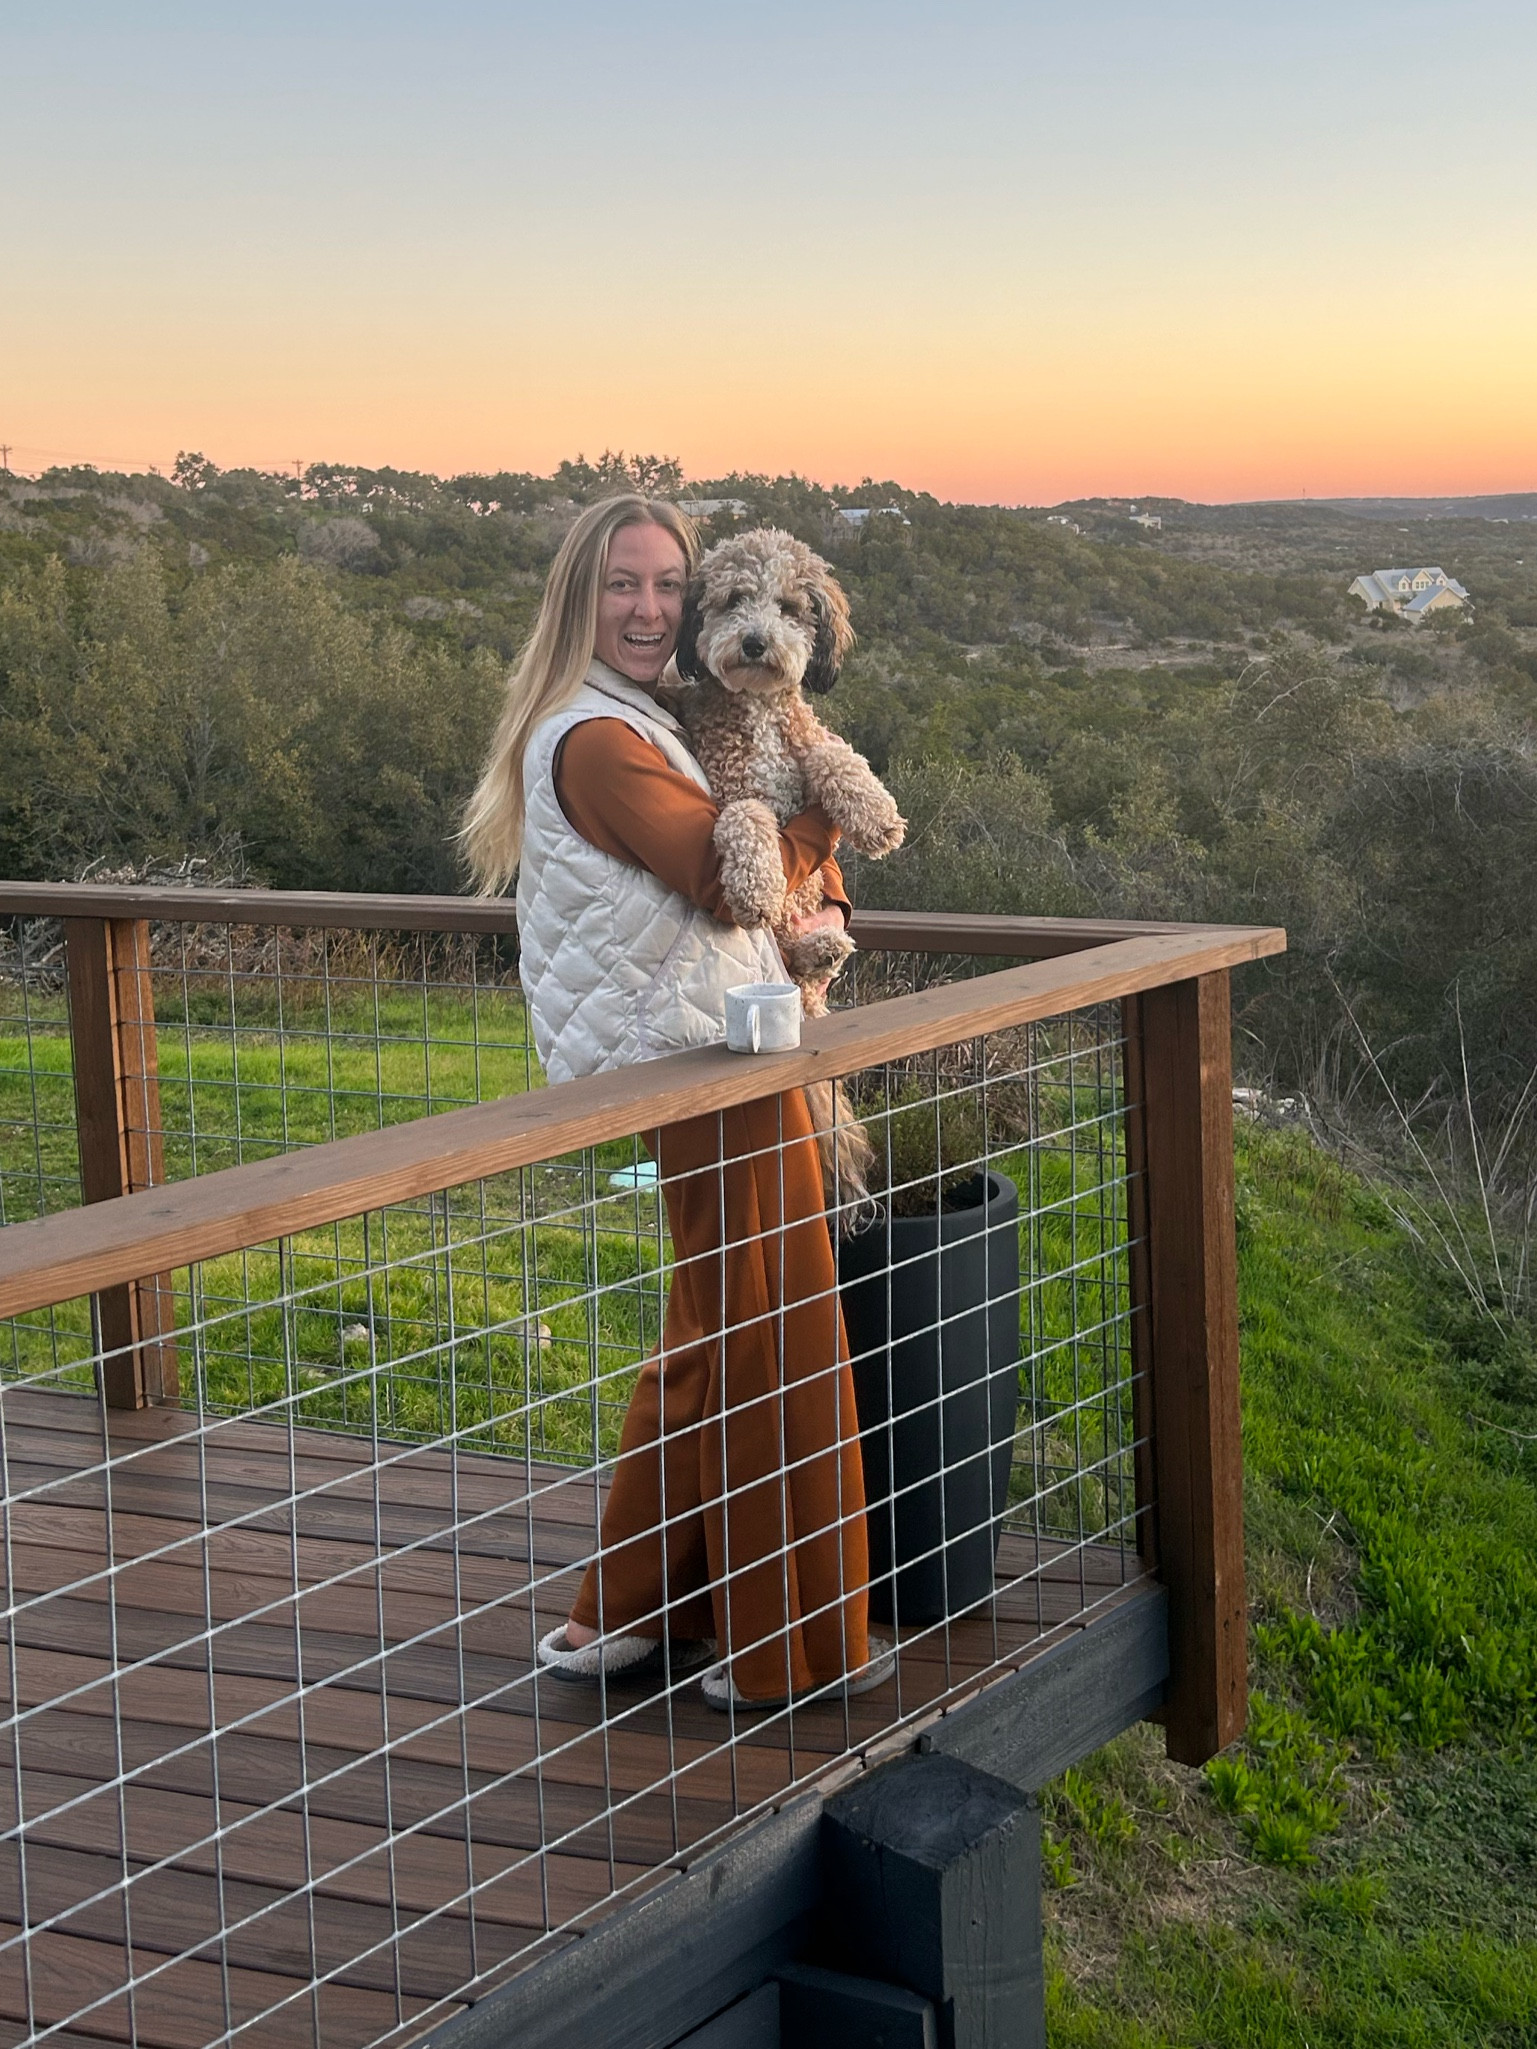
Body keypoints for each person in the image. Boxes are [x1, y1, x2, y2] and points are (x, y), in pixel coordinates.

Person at [462, 493, 891, 1710]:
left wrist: (825, 891)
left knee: (716, 1332)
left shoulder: (653, 721)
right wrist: (823, 818)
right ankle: (788, 1652)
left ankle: (629, 1615)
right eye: (622, 587)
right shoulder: (599, 740)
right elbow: (723, 876)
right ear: (578, 602)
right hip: (705, 1070)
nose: (648, 610)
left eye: (665, 586)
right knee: (775, 1337)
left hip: (719, 1052)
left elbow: (775, 874)